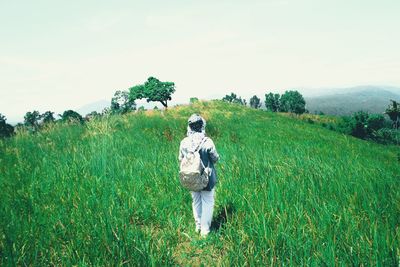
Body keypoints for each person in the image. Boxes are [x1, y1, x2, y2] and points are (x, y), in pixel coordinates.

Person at [179, 114, 220, 237]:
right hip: (206, 177)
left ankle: (197, 226)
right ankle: (205, 231)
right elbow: (215, 158)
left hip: (191, 177)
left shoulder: (184, 142)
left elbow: (180, 159)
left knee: (196, 200)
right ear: (202, 125)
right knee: (207, 201)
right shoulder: (207, 142)